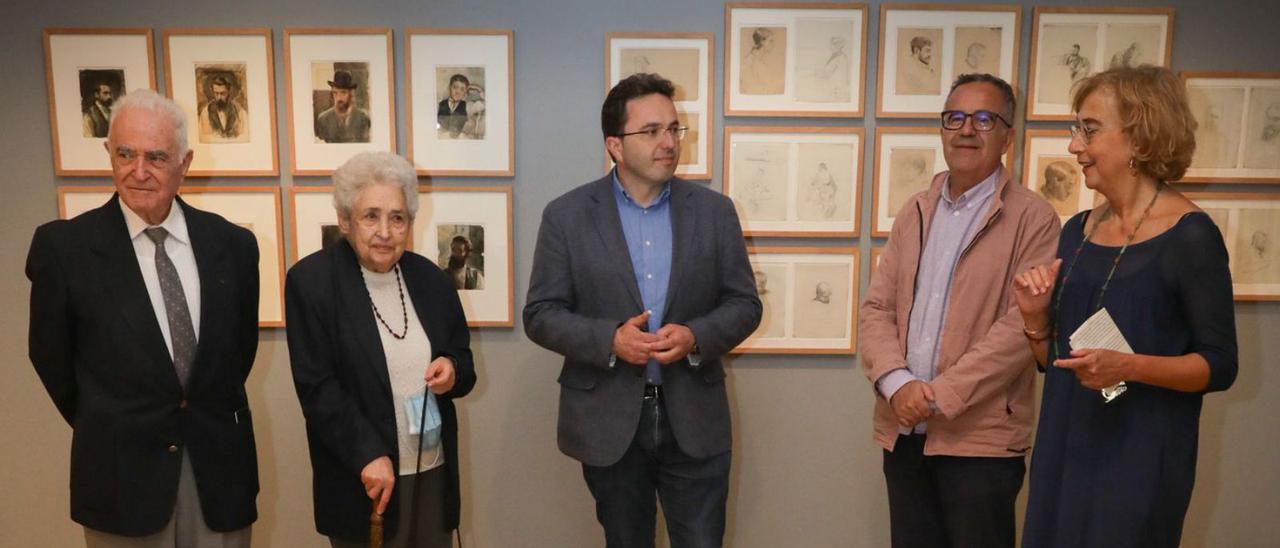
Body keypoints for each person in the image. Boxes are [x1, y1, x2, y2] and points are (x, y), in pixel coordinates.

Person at [524, 73, 761, 548]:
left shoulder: (714, 213)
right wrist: (609, 339)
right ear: (614, 144)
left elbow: (744, 305)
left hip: (694, 417)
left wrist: (695, 336)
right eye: (651, 131)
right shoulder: (567, 216)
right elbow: (541, 313)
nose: (668, 142)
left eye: (674, 129)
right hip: (609, 422)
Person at [1013, 65, 1238, 548]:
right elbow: (1054, 363)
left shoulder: (1191, 238)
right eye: (1076, 130)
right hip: (1064, 448)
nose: (1074, 146)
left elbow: (1220, 366)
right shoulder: (1075, 231)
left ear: (1140, 137)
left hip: (1138, 462)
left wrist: (1128, 367)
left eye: (1089, 130)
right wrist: (1034, 320)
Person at [27, 89, 260, 546]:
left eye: (156, 156)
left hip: (219, 474)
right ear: (108, 154)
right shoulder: (65, 250)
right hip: (121, 478)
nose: (138, 171)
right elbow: (51, 361)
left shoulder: (233, 246)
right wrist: (113, 420)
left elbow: (237, 356)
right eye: (125, 154)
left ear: (184, 163)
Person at [859, 73, 1061, 548]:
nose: (967, 129)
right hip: (904, 432)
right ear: (942, 128)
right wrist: (897, 383)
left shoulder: (1034, 219)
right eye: (955, 117)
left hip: (982, 443)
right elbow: (876, 308)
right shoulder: (915, 210)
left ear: (1009, 136)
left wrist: (936, 395)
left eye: (985, 119)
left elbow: (1020, 330)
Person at [285, 151, 475, 548]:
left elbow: (463, 359)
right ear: (345, 220)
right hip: (364, 477)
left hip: (431, 471)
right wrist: (367, 454)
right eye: (371, 216)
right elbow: (318, 388)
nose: (385, 231)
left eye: (397, 217)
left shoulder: (431, 280)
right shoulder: (312, 283)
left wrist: (453, 369)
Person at [315, 70, 372, 143]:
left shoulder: (363, 119)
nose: (339, 98)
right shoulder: (323, 119)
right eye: (335, 93)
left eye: (343, 92)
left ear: (351, 94)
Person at [198, 74, 246, 142]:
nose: (219, 97)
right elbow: (202, 138)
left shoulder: (239, 111)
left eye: (223, 93)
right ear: (212, 91)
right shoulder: (205, 112)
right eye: (216, 93)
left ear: (229, 91)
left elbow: (244, 136)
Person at [437, 73, 469, 137]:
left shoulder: (467, 106)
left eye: (462, 89)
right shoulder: (440, 104)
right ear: (450, 87)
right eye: (455, 87)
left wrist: (476, 87)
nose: (458, 92)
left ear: (465, 92)